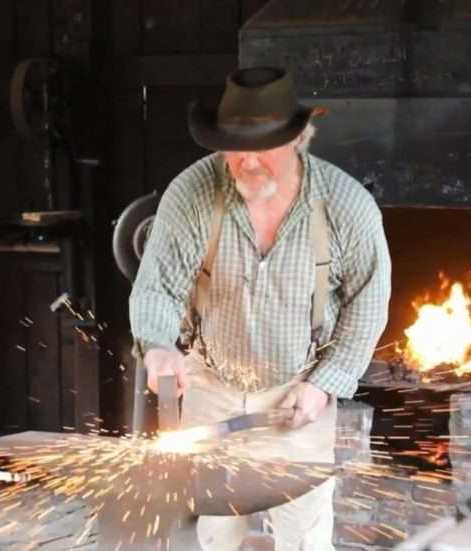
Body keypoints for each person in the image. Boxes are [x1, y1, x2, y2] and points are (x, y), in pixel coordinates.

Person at [129, 66, 391, 550]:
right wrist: (158, 346)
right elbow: (157, 287)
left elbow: (369, 303)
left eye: (262, 148)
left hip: (298, 393)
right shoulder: (192, 194)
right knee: (217, 533)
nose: (247, 162)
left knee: (304, 537)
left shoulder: (345, 206)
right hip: (211, 386)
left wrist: (325, 384)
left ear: (297, 140)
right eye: (235, 148)